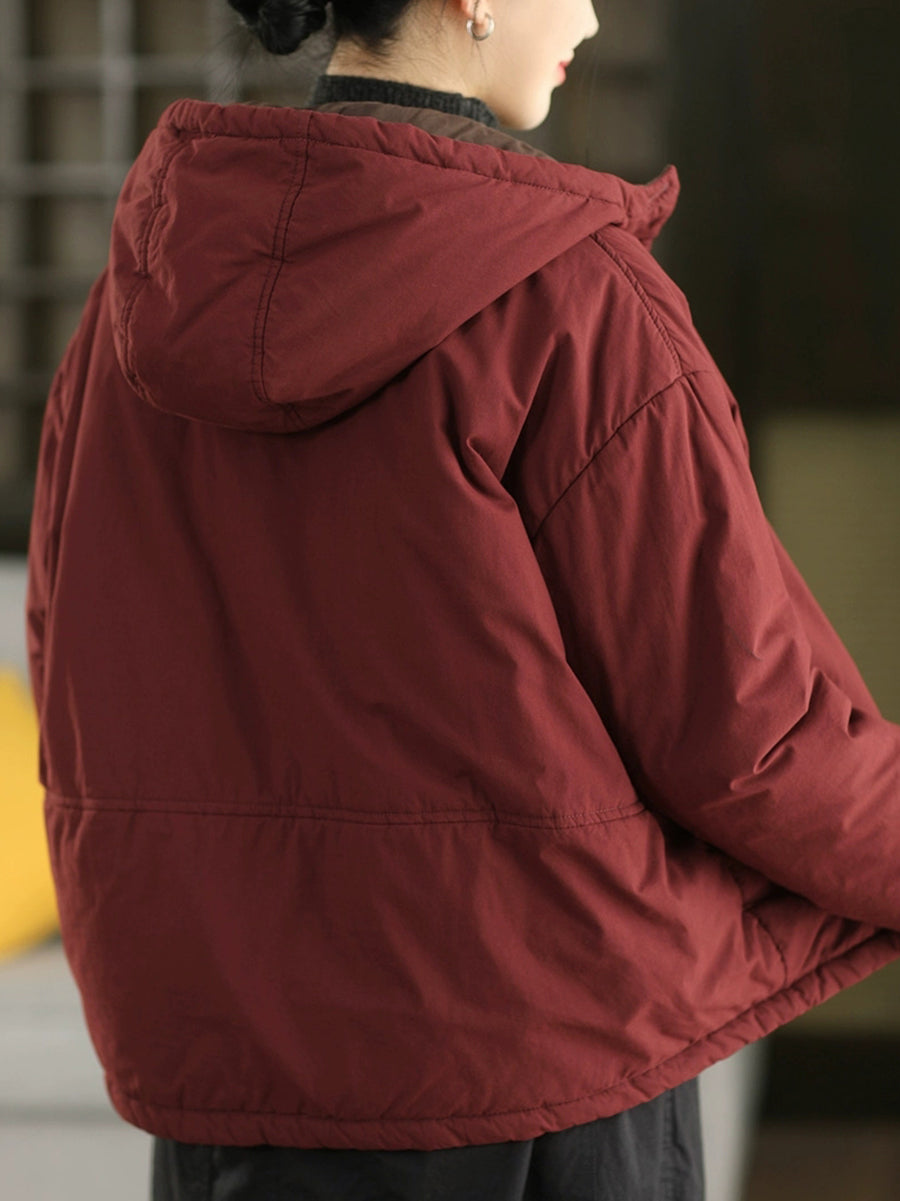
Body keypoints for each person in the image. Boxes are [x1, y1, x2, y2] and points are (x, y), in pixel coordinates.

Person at [23, 0, 900, 1198]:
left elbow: (77, 670)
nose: (591, 17)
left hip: (236, 1096)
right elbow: (752, 736)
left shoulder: (130, 312)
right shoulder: (575, 302)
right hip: (530, 1086)